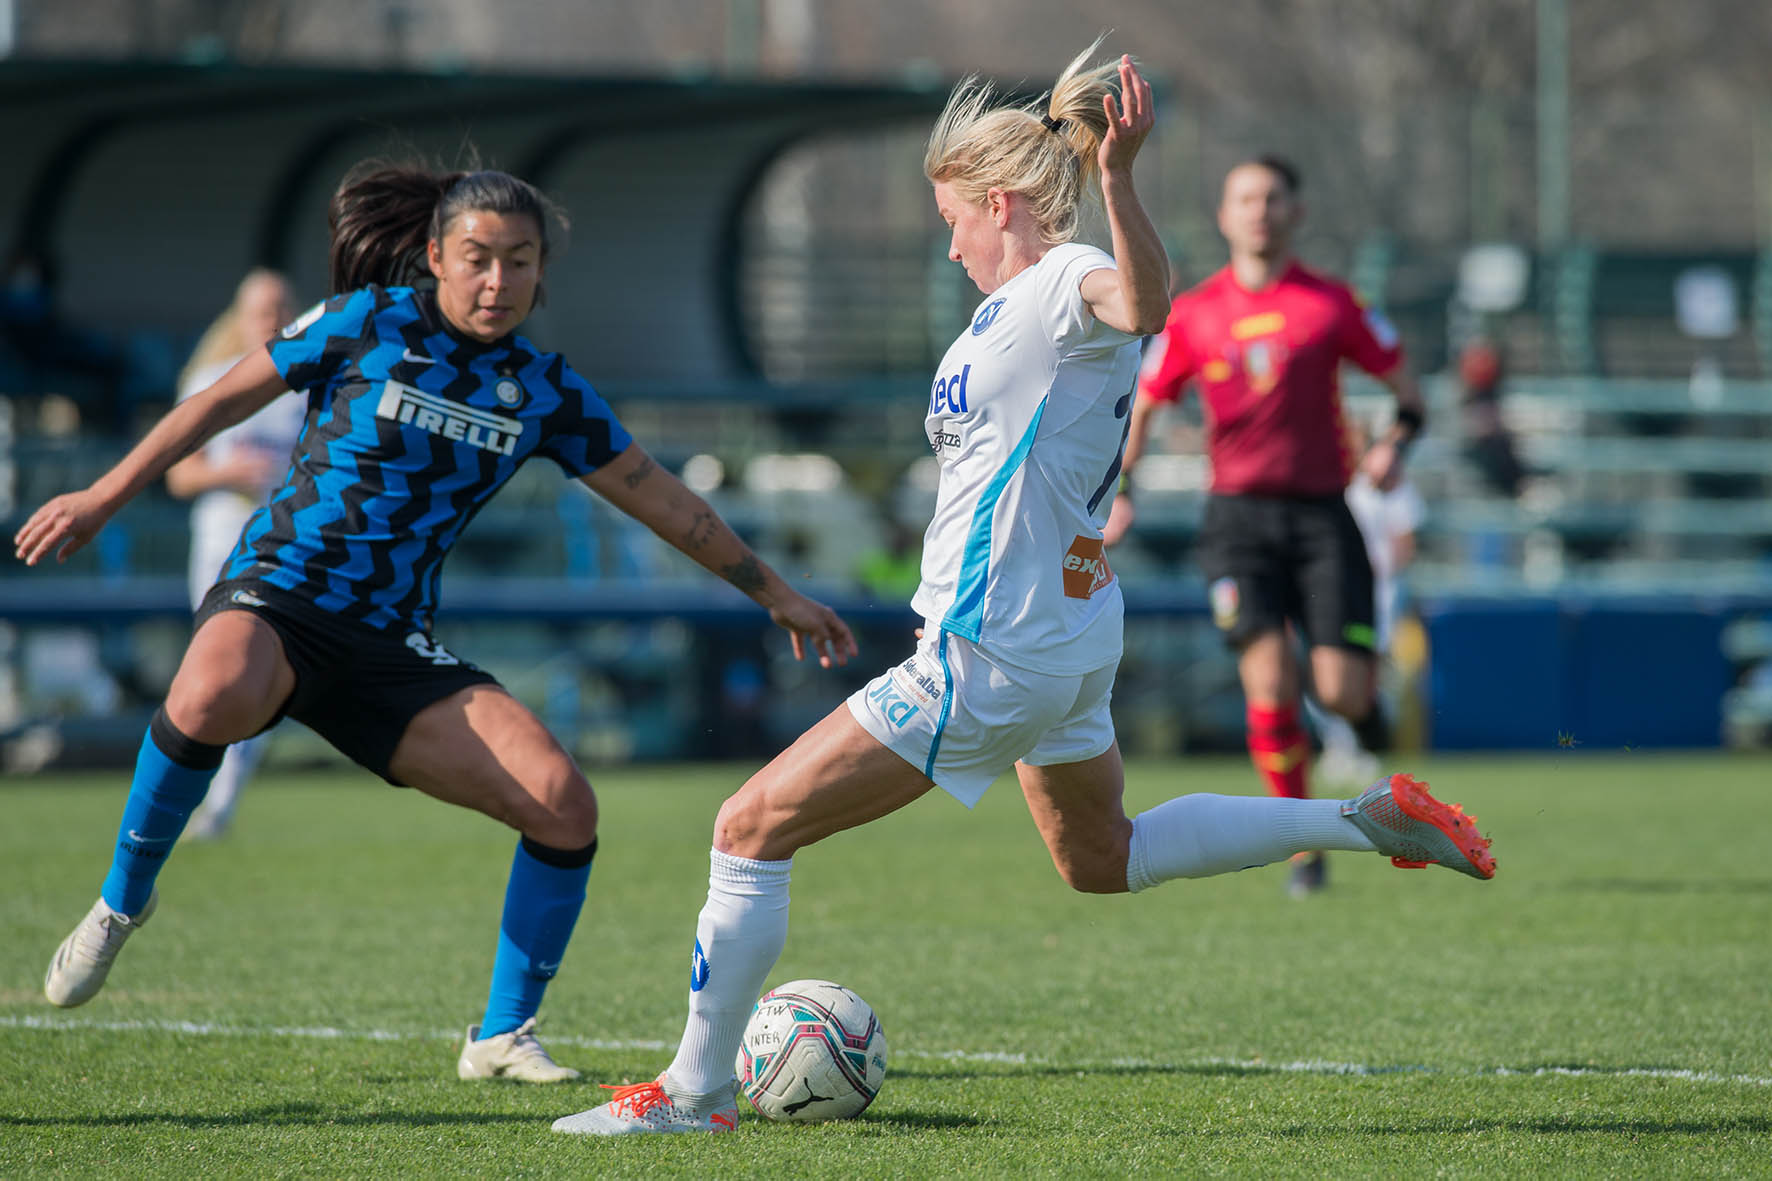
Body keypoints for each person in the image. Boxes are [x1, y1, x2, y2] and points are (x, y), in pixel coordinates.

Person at [553, 47, 1493, 1137]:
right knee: (1102, 858)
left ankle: (692, 1093)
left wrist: (1119, 177)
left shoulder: (1061, 283)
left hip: (988, 648)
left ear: (998, 203)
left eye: (952, 219)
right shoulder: (1004, 314)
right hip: (1064, 636)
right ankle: (1361, 818)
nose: (949, 243)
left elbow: (1142, 301)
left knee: (747, 825)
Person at [14, 163, 857, 1083]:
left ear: (542, 272)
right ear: (435, 256)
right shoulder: (365, 322)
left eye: (519, 260)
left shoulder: (545, 389)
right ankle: (120, 905)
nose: (498, 281)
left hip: (389, 643)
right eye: (477, 258)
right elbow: (218, 403)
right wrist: (101, 496)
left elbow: (661, 498)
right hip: (280, 593)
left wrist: (775, 592)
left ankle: (500, 1034)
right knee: (212, 689)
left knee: (564, 804)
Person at [1103, 154, 1427, 896]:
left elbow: (1409, 396)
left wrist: (1393, 446)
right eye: (1245, 198)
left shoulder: (1333, 304)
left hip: (1323, 518)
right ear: (1224, 216)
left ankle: (1366, 715)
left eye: (1273, 197)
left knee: (1339, 692)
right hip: (1237, 522)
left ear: (1296, 213)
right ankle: (1302, 848)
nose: (1259, 210)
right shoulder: (1194, 314)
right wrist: (1123, 489)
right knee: (1271, 681)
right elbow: (1145, 405)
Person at [164, 268, 306, 839]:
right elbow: (179, 476)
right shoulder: (211, 380)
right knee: (209, 674)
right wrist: (228, 473)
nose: (271, 320)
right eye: (261, 310)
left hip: (283, 548)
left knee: (256, 672)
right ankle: (184, 795)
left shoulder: (309, 387)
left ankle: (220, 803)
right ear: (240, 318)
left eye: (281, 309)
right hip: (219, 542)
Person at [1311, 419, 1425, 794]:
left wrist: (1375, 576)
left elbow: (1403, 543)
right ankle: (1339, 744)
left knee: (1366, 670)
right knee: (1325, 669)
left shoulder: (1389, 484)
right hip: (1334, 592)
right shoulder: (1328, 485)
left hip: (1375, 596)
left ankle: (1366, 744)